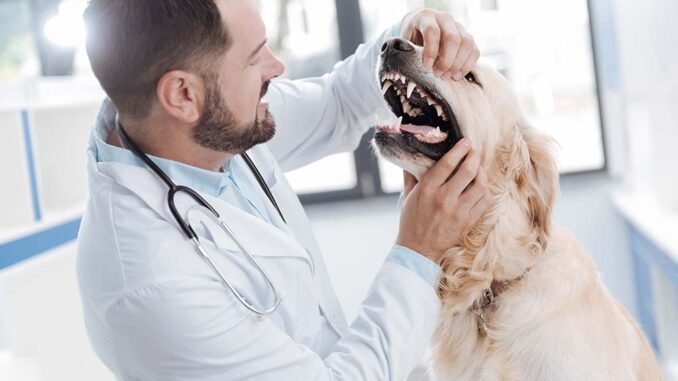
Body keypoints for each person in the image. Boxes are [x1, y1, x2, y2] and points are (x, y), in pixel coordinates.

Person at [76, 0, 490, 379]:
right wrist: (419, 251)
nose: (276, 68)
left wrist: (413, 34)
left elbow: (338, 102)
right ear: (183, 94)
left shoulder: (192, 125)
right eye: (254, 58)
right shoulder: (153, 286)